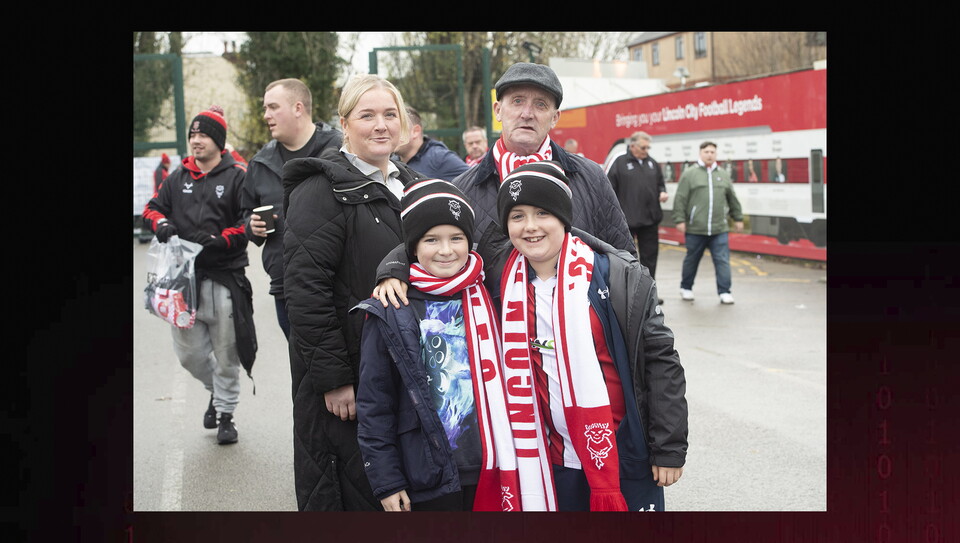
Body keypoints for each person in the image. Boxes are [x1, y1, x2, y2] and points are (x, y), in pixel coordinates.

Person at [491, 161, 688, 511]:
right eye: (517, 216)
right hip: (546, 462)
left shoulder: (619, 277)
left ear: (564, 219)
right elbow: (440, 244)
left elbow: (661, 363)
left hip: (623, 455)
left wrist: (669, 448)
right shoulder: (499, 281)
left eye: (542, 213)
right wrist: (393, 269)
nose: (530, 227)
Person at [282, 74, 425, 511]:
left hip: (405, 370)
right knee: (352, 496)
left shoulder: (413, 185)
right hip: (350, 379)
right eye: (367, 115)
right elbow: (306, 292)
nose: (381, 125)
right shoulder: (320, 191)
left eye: (389, 114)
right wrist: (335, 379)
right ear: (345, 124)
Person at [355, 179, 508, 512]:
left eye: (457, 238)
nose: (446, 250)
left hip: (497, 463)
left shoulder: (492, 290)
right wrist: (388, 481)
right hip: (430, 474)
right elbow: (374, 402)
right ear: (412, 247)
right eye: (431, 240)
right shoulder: (391, 307)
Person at [143, 105, 256, 445]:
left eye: (203, 134)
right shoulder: (177, 177)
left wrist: (222, 240)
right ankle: (215, 392)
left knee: (227, 354)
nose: (196, 140)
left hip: (224, 278)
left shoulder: (237, 175)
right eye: (192, 134)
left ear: (218, 140)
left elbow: (249, 223)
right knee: (189, 355)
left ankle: (226, 415)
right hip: (182, 283)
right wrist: (160, 223)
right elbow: (151, 209)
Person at [241, 78, 343, 338]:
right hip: (287, 288)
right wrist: (251, 226)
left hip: (339, 283)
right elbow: (244, 213)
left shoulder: (341, 148)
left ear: (298, 108)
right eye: (265, 108)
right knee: (304, 370)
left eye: (273, 107)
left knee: (350, 369)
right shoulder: (260, 163)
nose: (266, 115)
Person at [672, 141, 744, 304]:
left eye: (712, 152)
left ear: (716, 154)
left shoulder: (723, 174)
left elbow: (732, 198)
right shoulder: (690, 174)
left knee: (722, 260)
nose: (709, 154)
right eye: (706, 151)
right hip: (696, 228)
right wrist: (680, 219)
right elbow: (681, 198)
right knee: (692, 259)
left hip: (719, 228)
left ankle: (725, 291)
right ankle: (686, 287)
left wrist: (738, 217)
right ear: (700, 153)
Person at [607, 131, 668, 285]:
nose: (646, 151)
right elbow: (608, 190)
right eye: (643, 148)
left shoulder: (652, 163)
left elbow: (661, 184)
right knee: (626, 259)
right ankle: (627, 293)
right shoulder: (619, 163)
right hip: (627, 222)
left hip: (650, 220)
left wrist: (662, 192)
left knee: (650, 259)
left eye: (648, 148)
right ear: (632, 146)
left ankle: (649, 292)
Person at [395, 106, 469, 181]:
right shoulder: (390, 161)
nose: (391, 134)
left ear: (415, 131)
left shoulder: (440, 158)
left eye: (398, 130)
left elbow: (473, 183)